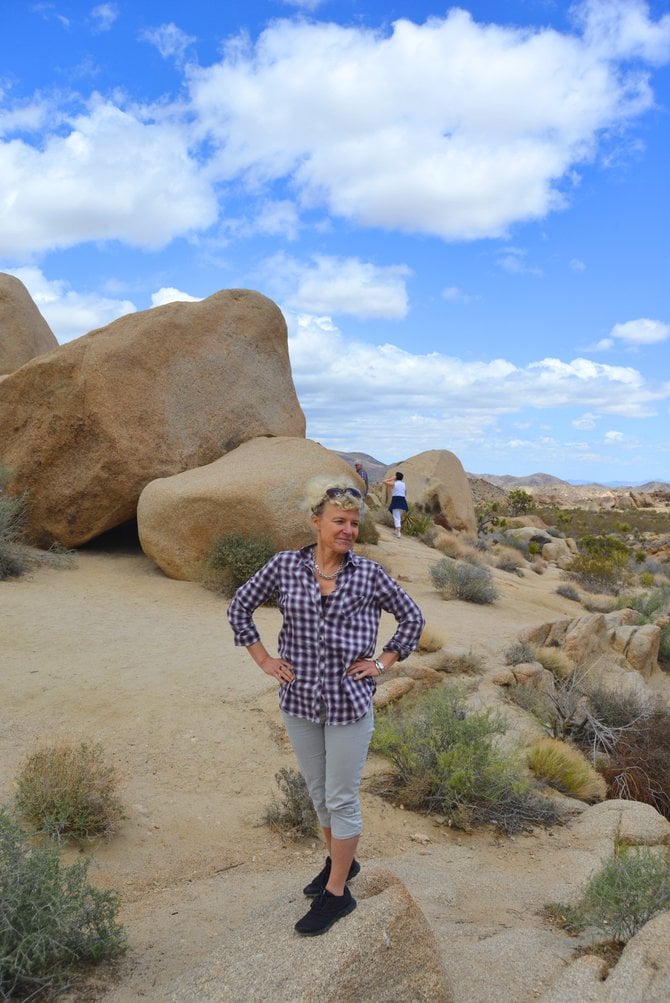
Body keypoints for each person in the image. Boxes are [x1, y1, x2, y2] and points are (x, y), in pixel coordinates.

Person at [227, 476, 424, 936]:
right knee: (319, 796)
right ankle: (343, 865)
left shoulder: (369, 575)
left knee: (341, 796)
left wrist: (383, 661)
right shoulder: (284, 567)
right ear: (315, 522)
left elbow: (412, 616)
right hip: (298, 701)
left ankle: (338, 894)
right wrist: (264, 660)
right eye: (339, 521)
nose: (348, 530)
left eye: (354, 523)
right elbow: (240, 606)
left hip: (348, 704)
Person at [383, 471, 408, 537]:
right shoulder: (404, 484)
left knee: (396, 517)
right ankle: (396, 530)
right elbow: (405, 493)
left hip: (396, 500)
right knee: (398, 516)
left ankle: (398, 532)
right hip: (403, 500)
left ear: (396, 477)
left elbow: (384, 481)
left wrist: (392, 478)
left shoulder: (394, 483)